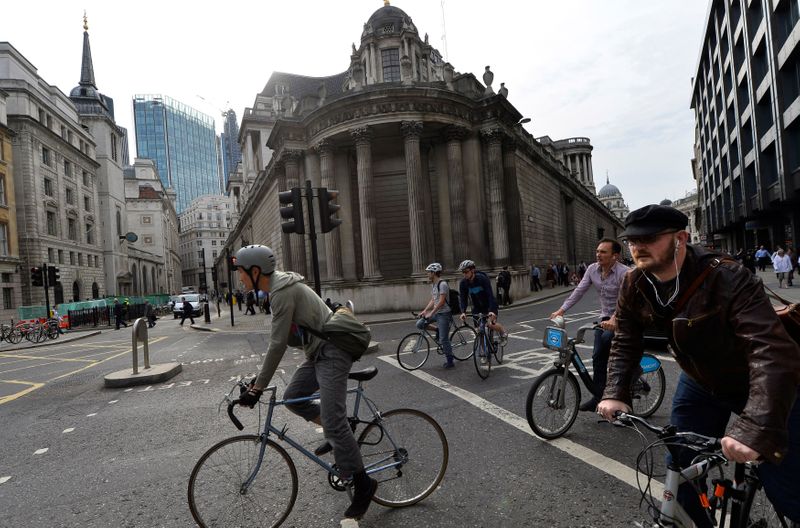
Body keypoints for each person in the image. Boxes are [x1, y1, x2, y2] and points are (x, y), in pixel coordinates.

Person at [597, 204, 800, 526]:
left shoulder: (727, 276)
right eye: (632, 240)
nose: (637, 247)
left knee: (789, 487)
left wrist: (756, 428)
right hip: (701, 382)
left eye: (649, 238)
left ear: (681, 238)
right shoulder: (635, 283)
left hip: (761, 381)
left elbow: (771, 350)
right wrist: (615, 391)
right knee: (679, 462)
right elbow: (626, 339)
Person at [232, 245, 377, 519]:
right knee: (294, 396)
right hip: (317, 351)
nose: (239, 278)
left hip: (332, 350)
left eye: (240, 272)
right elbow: (282, 340)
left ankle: (364, 485)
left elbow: (276, 345)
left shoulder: (282, 291)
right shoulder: (277, 290)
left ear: (254, 271)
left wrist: (258, 388)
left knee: (334, 421)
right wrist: (257, 380)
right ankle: (339, 434)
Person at [549, 238, 630, 411]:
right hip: (605, 318)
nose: (598, 255)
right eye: (597, 251)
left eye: (603, 252)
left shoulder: (625, 273)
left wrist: (615, 318)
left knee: (611, 347)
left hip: (624, 317)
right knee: (597, 356)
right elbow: (579, 290)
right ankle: (598, 397)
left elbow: (626, 300)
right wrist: (561, 310)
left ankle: (628, 380)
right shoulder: (592, 269)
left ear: (615, 256)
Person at [457, 259, 508, 352]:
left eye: (466, 272)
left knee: (489, 324)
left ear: (472, 270)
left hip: (489, 305)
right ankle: (483, 352)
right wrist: (463, 312)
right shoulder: (463, 283)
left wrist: (491, 310)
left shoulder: (482, 279)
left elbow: (490, 294)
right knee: (479, 331)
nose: (464, 274)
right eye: (462, 272)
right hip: (477, 308)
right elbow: (463, 299)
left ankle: (502, 331)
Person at [417, 263, 456, 368]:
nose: (427, 274)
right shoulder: (434, 284)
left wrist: (431, 313)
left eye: (428, 272)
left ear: (434, 273)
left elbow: (442, 302)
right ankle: (437, 330)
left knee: (444, 339)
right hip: (436, 312)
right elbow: (433, 299)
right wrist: (425, 311)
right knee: (420, 324)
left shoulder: (442, 284)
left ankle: (450, 360)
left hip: (444, 314)